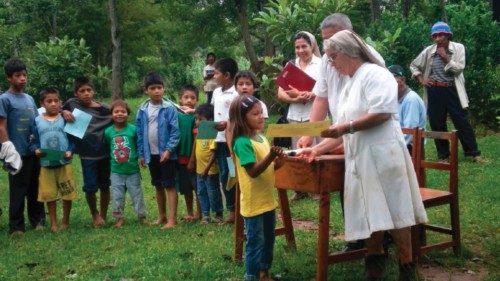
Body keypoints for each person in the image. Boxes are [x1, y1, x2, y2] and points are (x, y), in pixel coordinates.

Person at [299, 30, 428, 280]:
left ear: (348, 53)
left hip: (384, 154)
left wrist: (345, 127)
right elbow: (342, 129)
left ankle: (407, 265)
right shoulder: (350, 82)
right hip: (361, 156)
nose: (331, 64)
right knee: (371, 209)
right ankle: (374, 259)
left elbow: (382, 112)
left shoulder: (377, 74)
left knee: (398, 211)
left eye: (333, 57)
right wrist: (314, 149)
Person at [298, 13, 385, 149]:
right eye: (325, 40)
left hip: (368, 135)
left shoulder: (372, 64)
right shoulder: (326, 60)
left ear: (349, 34)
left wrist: (344, 131)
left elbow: (381, 112)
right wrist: (309, 133)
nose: (328, 44)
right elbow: (321, 99)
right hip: (341, 132)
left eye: (332, 38)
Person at [229, 95, 286, 281]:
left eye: (261, 112)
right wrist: (270, 157)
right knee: (255, 243)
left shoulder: (261, 138)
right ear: (242, 117)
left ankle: (264, 273)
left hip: (268, 200)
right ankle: (251, 276)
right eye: (255, 114)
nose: (261, 116)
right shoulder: (242, 142)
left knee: (268, 240)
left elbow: (269, 168)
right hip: (254, 204)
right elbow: (253, 172)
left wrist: (279, 162)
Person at [410, 21, 484, 163]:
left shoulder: (458, 48)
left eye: (441, 35)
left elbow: (459, 69)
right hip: (434, 90)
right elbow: (414, 65)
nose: (438, 39)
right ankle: (443, 156)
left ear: (448, 35)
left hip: (452, 89)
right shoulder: (428, 51)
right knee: (437, 123)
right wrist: (421, 79)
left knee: (461, 121)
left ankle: (474, 153)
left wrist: (445, 57)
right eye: (435, 36)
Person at [0, 58, 45, 234]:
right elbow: (1, 126)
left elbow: (37, 121)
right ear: (9, 78)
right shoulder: (4, 99)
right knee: (19, 189)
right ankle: (16, 226)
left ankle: (38, 221)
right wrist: (7, 147)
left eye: (24, 75)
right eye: (18, 75)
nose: (23, 78)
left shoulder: (29, 99)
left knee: (35, 186)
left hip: (33, 151)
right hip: (16, 153)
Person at [277, 31, 321, 201]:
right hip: (295, 115)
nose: (301, 50)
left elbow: (327, 91)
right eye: (297, 47)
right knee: (298, 152)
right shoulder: (290, 66)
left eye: (304, 46)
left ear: (312, 46)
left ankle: (317, 188)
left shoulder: (322, 64)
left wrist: (307, 95)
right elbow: (280, 94)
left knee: (316, 152)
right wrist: (296, 97)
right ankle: (300, 188)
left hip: (315, 114)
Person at [62, 77, 112, 227]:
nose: (86, 93)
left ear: (93, 91)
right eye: (82, 91)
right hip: (87, 155)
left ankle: (103, 214)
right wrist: (64, 111)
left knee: (105, 185)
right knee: (90, 187)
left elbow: (119, 113)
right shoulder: (71, 104)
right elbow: (54, 107)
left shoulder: (104, 109)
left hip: (104, 153)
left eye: (89, 90)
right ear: (76, 94)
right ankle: (94, 214)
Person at [136, 72, 180, 229]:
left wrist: (168, 150)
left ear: (164, 89)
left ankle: (172, 219)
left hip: (166, 155)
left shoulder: (169, 108)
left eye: (159, 88)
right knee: (158, 185)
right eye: (152, 88)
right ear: (146, 90)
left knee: (169, 184)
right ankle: (161, 216)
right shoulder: (142, 109)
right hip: (150, 154)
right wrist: (141, 153)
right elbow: (140, 132)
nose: (156, 91)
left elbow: (175, 132)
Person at [30, 89, 77, 232]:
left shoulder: (65, 118)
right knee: (50, 195)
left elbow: (73, 139)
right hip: (46, 164)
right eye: (49, 101)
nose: (53, 104)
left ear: (60, 102)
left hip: (64, 163)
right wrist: (35, 149)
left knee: (67, 193)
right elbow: (33, 140)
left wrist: (70, 150)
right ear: (42, 103)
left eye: (56, 101)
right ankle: (54, 223)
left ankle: (65, 221)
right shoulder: (36, 120)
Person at [104, 99, 148, 228]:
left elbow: (139, 145)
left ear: (127, 114)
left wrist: (141, 157)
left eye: (123, 111)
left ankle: (142, 216)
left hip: (132, 170)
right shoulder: (108, 132)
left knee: (137, 195)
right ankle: (119, 218)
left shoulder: (133, 130)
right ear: (111, 114)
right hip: (116, 171)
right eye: (116, 111)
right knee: (117, 196)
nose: (119, 114)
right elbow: (109, 147)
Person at [211, 58, 239, 223]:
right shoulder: (216, 92)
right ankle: (232, 209)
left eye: (216, 73)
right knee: (224, 175)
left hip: (232, 141)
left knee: (232, 173)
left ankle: (236, 210)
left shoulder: (237, 93)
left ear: (227, 75)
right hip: (220, 141)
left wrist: (227, 124)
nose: (214, 76)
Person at [193, 103, 223, 224]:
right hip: (199, 170)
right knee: (201, 192)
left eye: (200, 119)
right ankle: (205, 214)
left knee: (213, 191)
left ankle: (218, 213)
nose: (197, 122)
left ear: (210, 120)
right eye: (196, 119)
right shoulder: (199, 132)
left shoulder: (212, 133)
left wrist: (206, 169)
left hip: (210, 171)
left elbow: (214, 153)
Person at [388, 65, 426, 152]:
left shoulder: (410, 99)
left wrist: (392, 150)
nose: (388, 83)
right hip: (399, 144)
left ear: (402, 79)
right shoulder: (394, 98)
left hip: (410, 149)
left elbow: (410, 132)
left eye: (392, 79)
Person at [176, 85, 200, 221]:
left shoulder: (196, 117)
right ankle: (189, 212)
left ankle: (199, 212)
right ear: (180, 99)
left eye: (192, 98)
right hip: (180, 157)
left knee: (197, 186)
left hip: (194, 157)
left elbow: (206, 114)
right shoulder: (176, 115)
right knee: (185, 187)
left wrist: (194, 112)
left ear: (196, 100)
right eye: (186, 97)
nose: (189, 100)